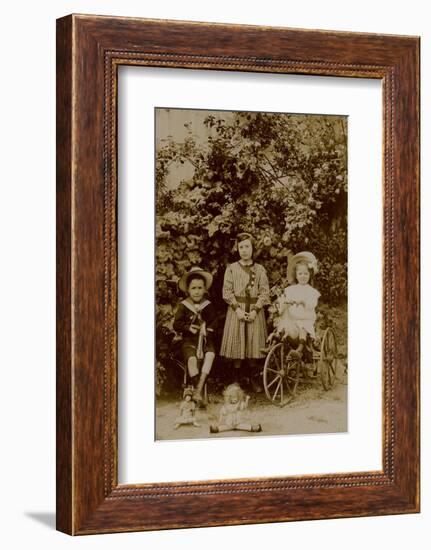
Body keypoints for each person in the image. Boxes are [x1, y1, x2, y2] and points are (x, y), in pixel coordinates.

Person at [220, 232, 270, 389]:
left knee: (253, 345)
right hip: (237, 311)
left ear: (253, 248)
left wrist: (256, 309)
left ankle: (253, 378)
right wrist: (237, 309)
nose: (244, 250)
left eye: (247, 246)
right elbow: (227, 292)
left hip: (255, 310)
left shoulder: (260, 269)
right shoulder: (232, 269)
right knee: (237, 345)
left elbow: (264, 292)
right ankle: (236, 380)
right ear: (237, 249)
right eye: (241, 247)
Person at [173, 266, 216, 405]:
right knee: (191, 359)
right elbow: (176, 324)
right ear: (188, 290)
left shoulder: (208, 305)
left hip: (204, 340)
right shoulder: (184, 305)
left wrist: (208, 329)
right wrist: (187, 328)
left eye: (200, 288)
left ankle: (198, 390)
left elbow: (215, 321)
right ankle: (198, 390)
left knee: (210, 355)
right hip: (189, 340)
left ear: (204, 289)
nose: (197, 291)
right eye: (193, 288)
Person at [272, 251, 320, 360]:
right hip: (293, 320)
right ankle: (273, 344)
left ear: (310, 275)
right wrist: (283, 302)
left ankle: (299, 349)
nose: (303, 276)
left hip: (305, 319)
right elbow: (284, 299)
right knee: (283, 324)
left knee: (303, 327)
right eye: (300, 274)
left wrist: (304, 302)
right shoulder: (290, 290)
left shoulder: (311, 291)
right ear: (296, 275)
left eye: (306, 274)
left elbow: (313, 303)